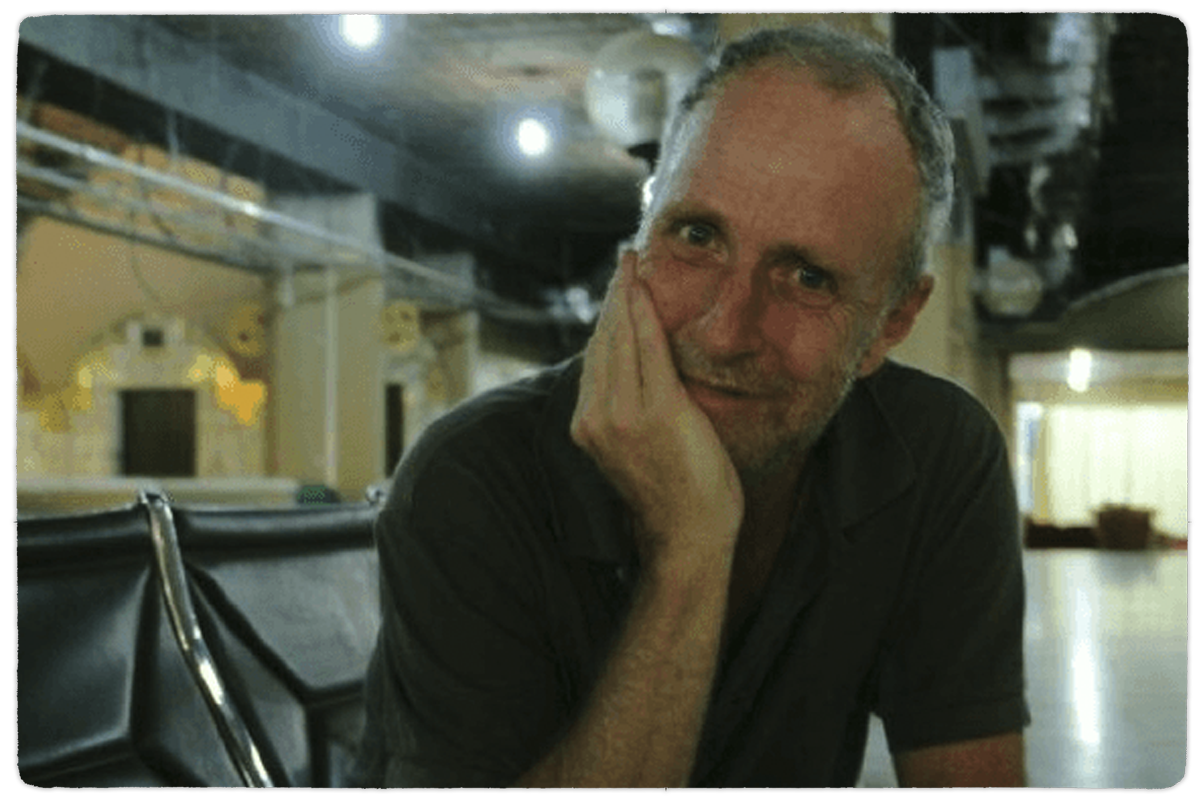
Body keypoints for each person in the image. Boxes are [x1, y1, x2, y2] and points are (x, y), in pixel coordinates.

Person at [356, 24, 1030, 788]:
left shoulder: (932, 456)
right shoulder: (474, 477)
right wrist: (691, 552)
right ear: (641, 237)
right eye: (698, 235)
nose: (723, 330)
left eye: (807, 277)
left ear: (892, 323)